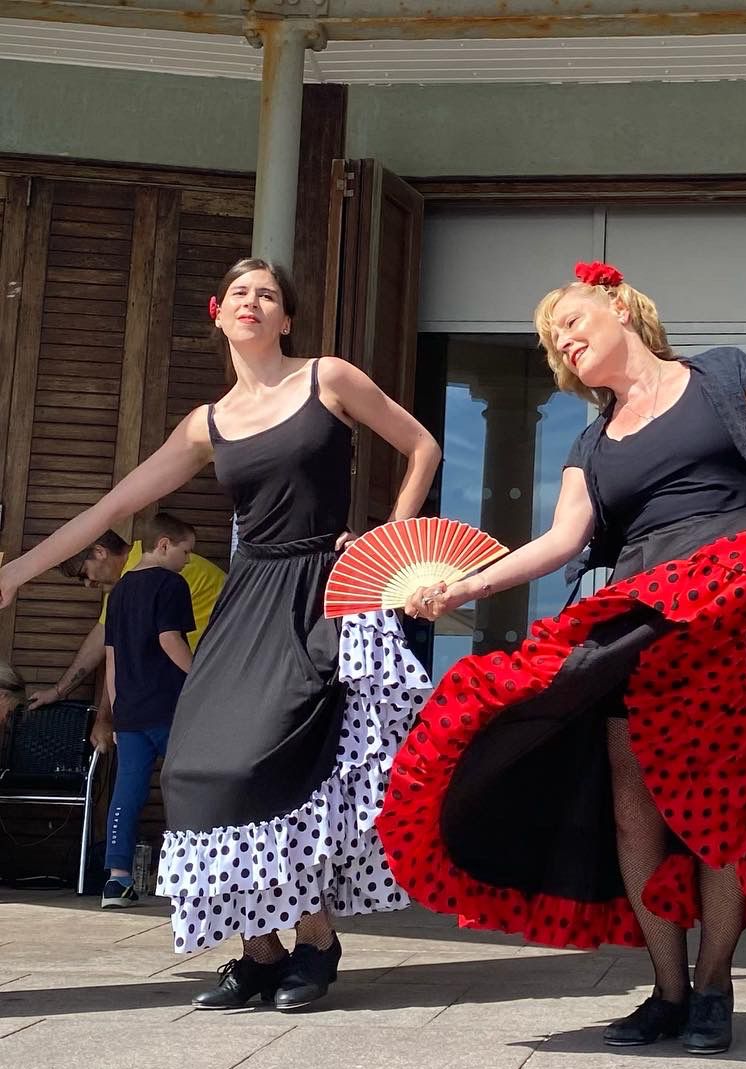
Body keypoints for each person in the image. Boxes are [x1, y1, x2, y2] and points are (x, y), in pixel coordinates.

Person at [380, 260, 746, 1056]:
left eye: (571, 321)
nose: (564, 341)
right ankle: (668, 990)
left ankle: (713, 987)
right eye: (554, 340)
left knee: (720, 803)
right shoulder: (591, 442)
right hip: (640, 618)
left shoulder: (722, 375)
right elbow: (562, 540)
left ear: (618, 307)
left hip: (723, 602)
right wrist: (467, 583)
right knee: (632, 807)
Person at [0, 257, 441, 1012]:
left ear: (286, 318)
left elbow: (423, 445)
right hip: (248, 596)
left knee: (283, 762)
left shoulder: (328, 378)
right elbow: (110, 509)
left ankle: (316, 940)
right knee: (196, 768)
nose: (253, 301)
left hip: (322, 589)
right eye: (240, 292)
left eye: (268, 294)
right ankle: (259, 951)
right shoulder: (206, 423)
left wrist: (385, 543)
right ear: (219, 313)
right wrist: (15, 575)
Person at [31, 526, 224, 756]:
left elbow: (121, 654)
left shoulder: (145, 575)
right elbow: (104, 639)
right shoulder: (136, 570)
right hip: (202, 676)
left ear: (100, 552)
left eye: (83, 573)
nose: (87, 584)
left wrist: (107, 718)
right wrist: (59, 690)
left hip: (211, 677)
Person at [98, 513, 197, 909]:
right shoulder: (171, 584)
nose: (187, 561)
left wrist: (117, 709)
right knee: (187, 788)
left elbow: (111, 657)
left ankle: (116, 880)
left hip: (131, 711)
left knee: (127, 792)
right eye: (185, 552)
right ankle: (189, 875)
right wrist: (200, 677)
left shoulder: (119, 591)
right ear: (164, 545)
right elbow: (170, 639)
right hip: (170, 706)